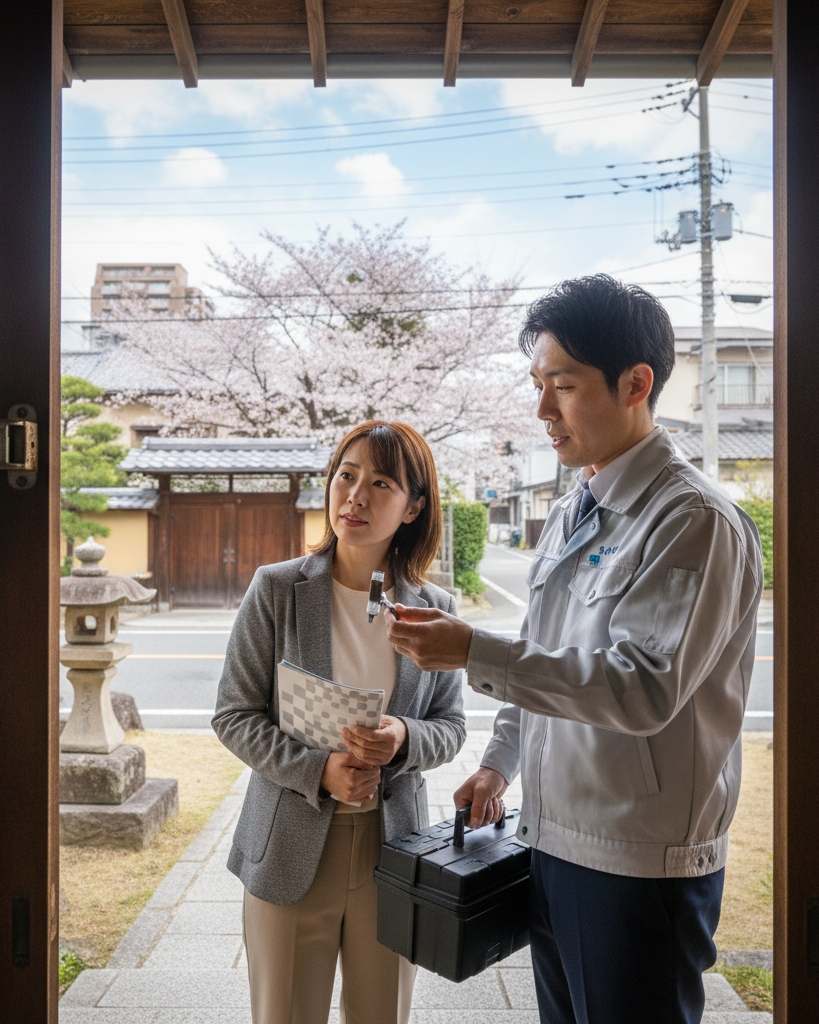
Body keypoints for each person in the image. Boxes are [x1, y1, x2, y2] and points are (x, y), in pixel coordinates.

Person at [385, 275, 764, 1024]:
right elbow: (546, 655)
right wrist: (499, 765)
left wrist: (473, 652)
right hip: (552, 836)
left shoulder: (692, 521)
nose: (541, 410)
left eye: (562, 385)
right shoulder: (571, 509)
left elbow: (642, 688)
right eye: (537, 384)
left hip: (637, 859)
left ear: (636, 383)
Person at [212, 420, 466, 1024]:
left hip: (394, 844)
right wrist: (320, 769)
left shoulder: (435, 610)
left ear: (413, 507)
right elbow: (233, 714)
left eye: (381, 483)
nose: (355, 496)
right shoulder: (277, 589)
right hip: (290, 842)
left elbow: (451, 726)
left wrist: (404, 738)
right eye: (346, 476)